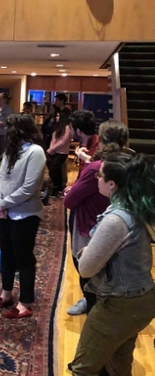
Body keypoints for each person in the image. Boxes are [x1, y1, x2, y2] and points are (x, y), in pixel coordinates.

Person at [69, 152, 155, 376]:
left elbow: (86, 267)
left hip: (120, 303)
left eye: (100, 175)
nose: (96, 178)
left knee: (83, 368)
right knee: (119, 363)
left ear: (112, 184)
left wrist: (86, 249)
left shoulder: (116, 220)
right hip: (141, 299)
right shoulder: (137, 208)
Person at [64, 120, 130, 316]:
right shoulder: (128, 163)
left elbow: (70, 200)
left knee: (86, 268)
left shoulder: (97, 168)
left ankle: (94, 307)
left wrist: (75, 189)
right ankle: (96, 303)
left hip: (90, 223)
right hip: (116, 225)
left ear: (101, 140)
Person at [0, 113, 47, 318]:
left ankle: (25, 302)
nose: (7, 132)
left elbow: (29, 187)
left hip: (25, 214)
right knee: (6, 253)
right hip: (5, 213)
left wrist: (4, 203)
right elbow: (0, 179)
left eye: (10, 128)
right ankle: (6, 294)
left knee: (24, 258)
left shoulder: (35, 152)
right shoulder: (10, 151)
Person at [46, 113, 73, 197]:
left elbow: (63, 141)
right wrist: (51, 149)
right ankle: (56, 188)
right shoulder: (56, 127)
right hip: (54, 152)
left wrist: (52, 149)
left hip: (62, 153)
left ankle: (59, 188)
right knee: (54, 171)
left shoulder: (67, 127)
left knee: (54, 169)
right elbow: (53, 139)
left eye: (58, 116)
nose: (56, 117)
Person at [70, 110, 99, 178]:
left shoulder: (97, 149)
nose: (69, 131)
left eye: (70, 128)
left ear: (78, 131)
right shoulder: (84, 144)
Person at [0, 92, 14, 158]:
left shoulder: (9, 110)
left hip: (5, 134)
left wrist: (2, 123)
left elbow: (12, 122)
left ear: (5, 100)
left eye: (0, 99)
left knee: (5, 152)